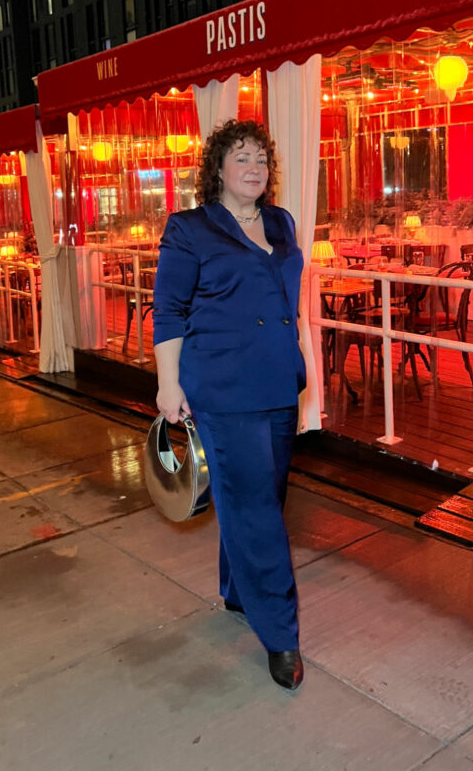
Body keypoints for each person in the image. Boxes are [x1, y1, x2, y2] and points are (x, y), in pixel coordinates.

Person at [152, 119, 307, 691]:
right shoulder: (189, 229)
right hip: (222, 387)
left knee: (263, 497)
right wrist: (169, 386)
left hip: (277, 384)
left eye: (262, 159)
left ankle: (238, 592)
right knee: (257, 515)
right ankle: (281, 635)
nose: (254, 168)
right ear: (216, 168)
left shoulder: (281, 222)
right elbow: (168, 310)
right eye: (241, 158)